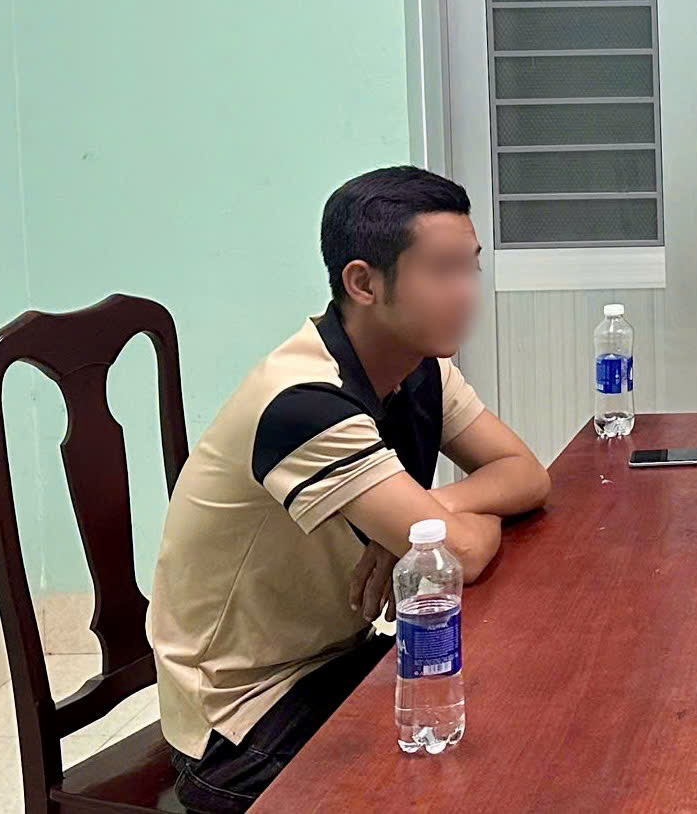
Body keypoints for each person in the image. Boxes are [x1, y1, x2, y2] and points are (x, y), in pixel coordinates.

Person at [147, 166, 550, 813]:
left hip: (336, 661)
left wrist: (426, 520)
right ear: (363, 283)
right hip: (244, 720)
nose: (467, 292)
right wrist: (439, 529)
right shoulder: (304, 403)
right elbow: (466, 553)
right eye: (442, 271)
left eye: (470, 267)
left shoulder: (416, 367)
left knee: (521, 709)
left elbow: (526, 474)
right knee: (475, 779)